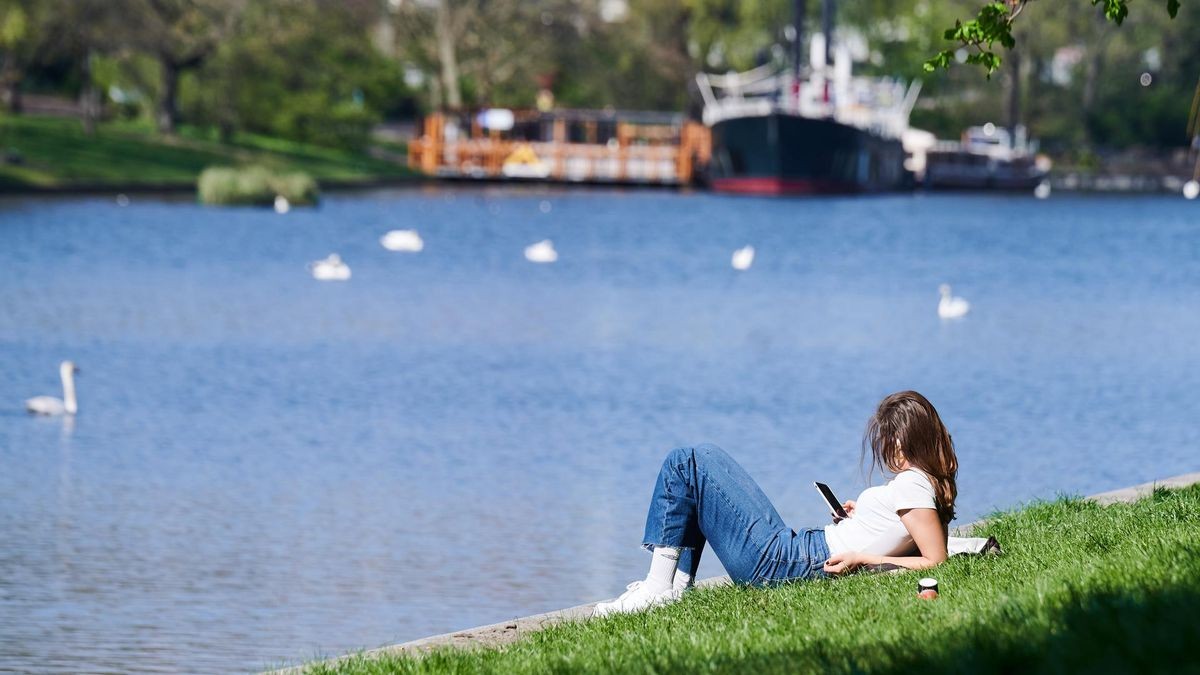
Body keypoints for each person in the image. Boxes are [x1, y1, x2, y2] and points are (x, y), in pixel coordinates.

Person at [594, 390, 959, 616]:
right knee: (698, 464)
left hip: (790, 562)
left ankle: (659, 587)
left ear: (909, 438)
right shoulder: (920, 485)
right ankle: (673, 588)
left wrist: (864, 558)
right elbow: (908, 536)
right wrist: (857, 520)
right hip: (798, 553)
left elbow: (935, 561)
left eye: (890, 439)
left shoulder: (913, 484)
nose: (887, 450)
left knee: (688, 462)